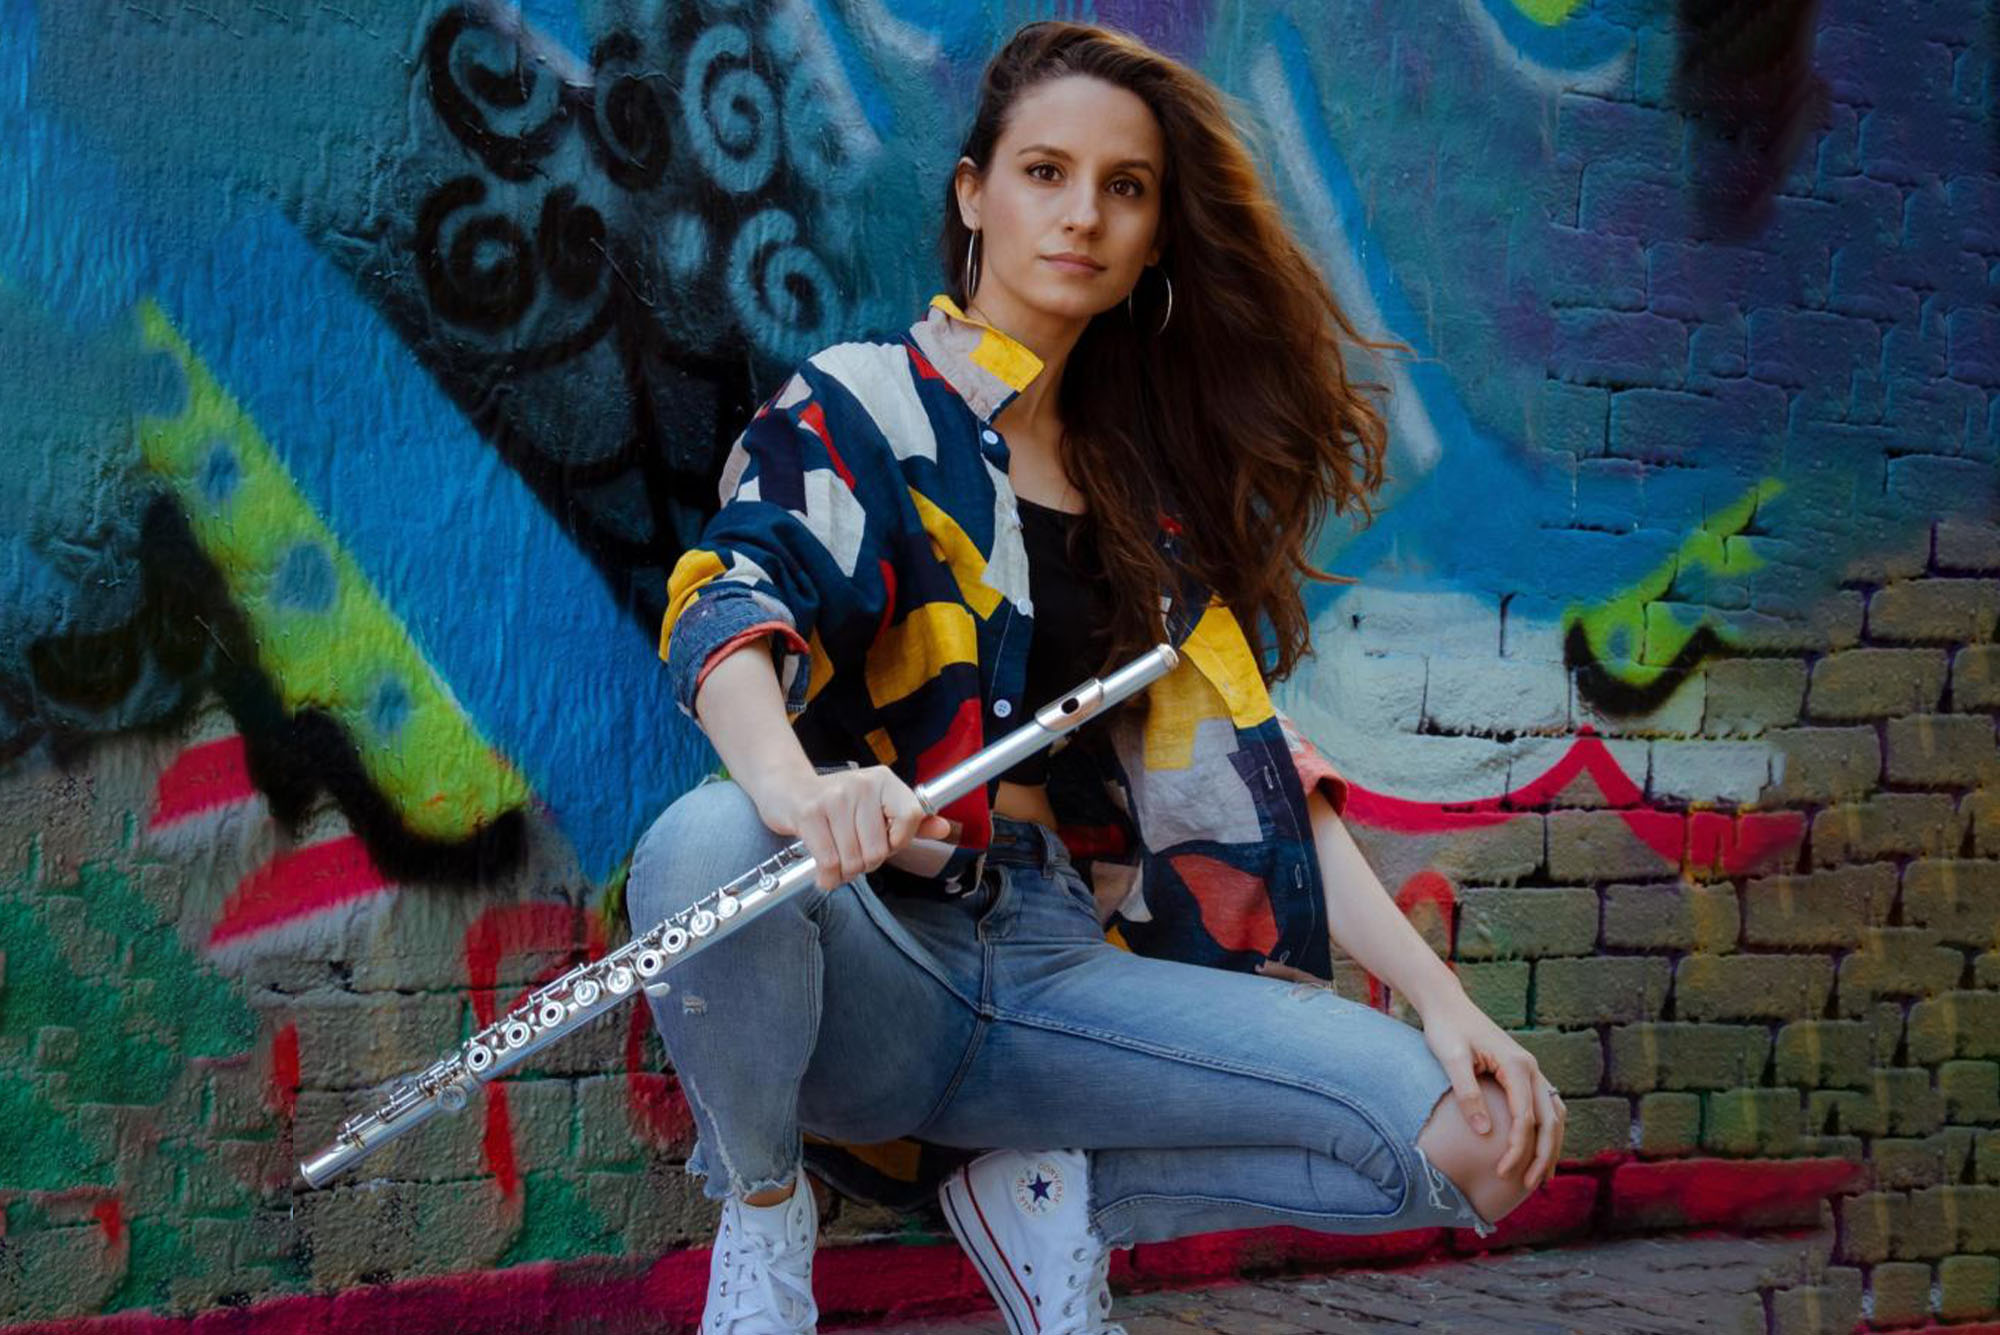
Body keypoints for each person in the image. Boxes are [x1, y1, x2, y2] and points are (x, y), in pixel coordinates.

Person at [628, 21, 1567, 1335]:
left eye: (1123, 188)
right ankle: (769, 1215)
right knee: (706, 847)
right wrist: (796, 787)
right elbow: (732, 594)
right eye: (1044, 173)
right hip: (883, 961)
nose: (1082, 216)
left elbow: (1262, 770)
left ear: (1156, 233)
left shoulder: (1152, 498)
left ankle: (1052, 1193)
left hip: (1066, 972)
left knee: (1476, 1140)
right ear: (974, 196)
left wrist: (1444, 998)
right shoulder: (868, 404)